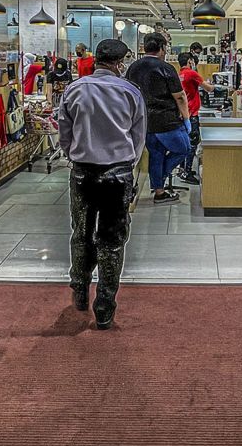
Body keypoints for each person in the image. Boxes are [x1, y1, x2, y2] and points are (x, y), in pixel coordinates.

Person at [59, 39, 147, 330]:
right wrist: (127, 163)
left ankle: (80, 287)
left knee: (81, 232)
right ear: (120, 63)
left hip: (82, 172)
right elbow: (138, 135)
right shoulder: (130, 92)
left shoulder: (75, 89)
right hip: (117, 174)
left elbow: (65, 131)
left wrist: (76, 154)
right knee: (112, 240)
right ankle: (105, 306)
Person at [125, 32, 191, 204]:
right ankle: (160, 179)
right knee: (184, 149)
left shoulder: (133, 68)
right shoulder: (166, 67)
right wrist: (186, 118)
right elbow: (180, 97)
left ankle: (159, 192)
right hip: (166, 121)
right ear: (162, 48)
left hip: (143, 121)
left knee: (156, 154)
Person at [177, 52, 216, 185]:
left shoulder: (180, 74)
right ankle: (187, 172)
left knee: (185, 142)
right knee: (192, 143)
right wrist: (214, 85)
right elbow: (209, 88)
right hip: (192, 114)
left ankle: (182, 169)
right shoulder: (191, 73)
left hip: (183, 113)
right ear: (190, 61)